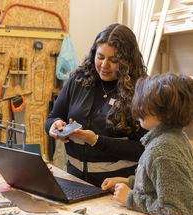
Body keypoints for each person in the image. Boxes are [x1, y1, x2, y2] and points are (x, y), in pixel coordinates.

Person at [102, 73, 193, 215]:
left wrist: (130, 198)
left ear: (163, 112)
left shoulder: (163, 150)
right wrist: (128, 182)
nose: (139, 109)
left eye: (145, 104)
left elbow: (181, 214)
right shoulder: (171, 138)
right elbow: (163, 184)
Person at [45, 23, 148, 187]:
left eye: (114, 60)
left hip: (117, 187)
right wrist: (55, 126)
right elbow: (52, 118)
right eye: (100, 57)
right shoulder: (78, 80)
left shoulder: (141, 91)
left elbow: (143, 149)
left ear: (128, 62)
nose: (104, 65)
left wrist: (97, 141)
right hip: (75, 181)